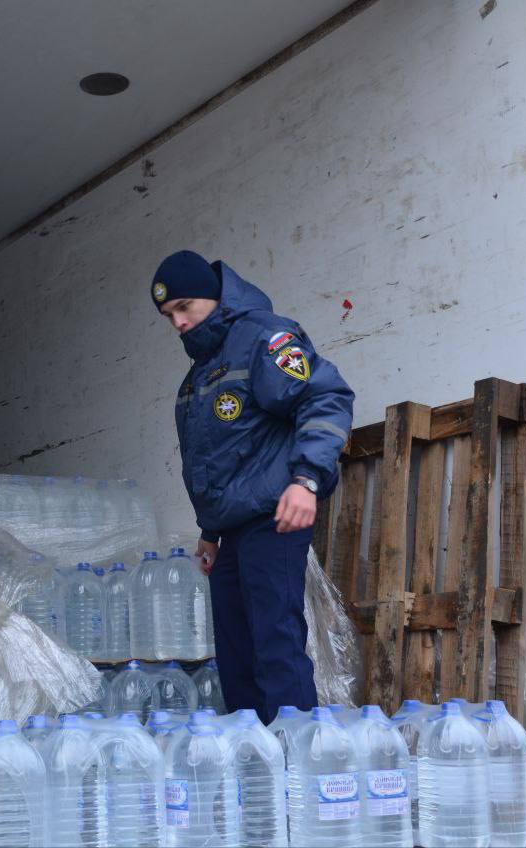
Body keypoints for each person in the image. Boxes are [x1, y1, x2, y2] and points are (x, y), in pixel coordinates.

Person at [152, 249, 354, 725]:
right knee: (236, 655)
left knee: (275, 645)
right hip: (231, 533)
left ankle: (295, 761)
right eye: (168, 316)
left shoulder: (264, 337)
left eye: (184, 307)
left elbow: (326, 397)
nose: (178, 323)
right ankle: (253, 762)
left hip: (272, 517)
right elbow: (215, 458)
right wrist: (209, 530)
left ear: (212, 295)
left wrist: (306, 481)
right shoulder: (198, 375)